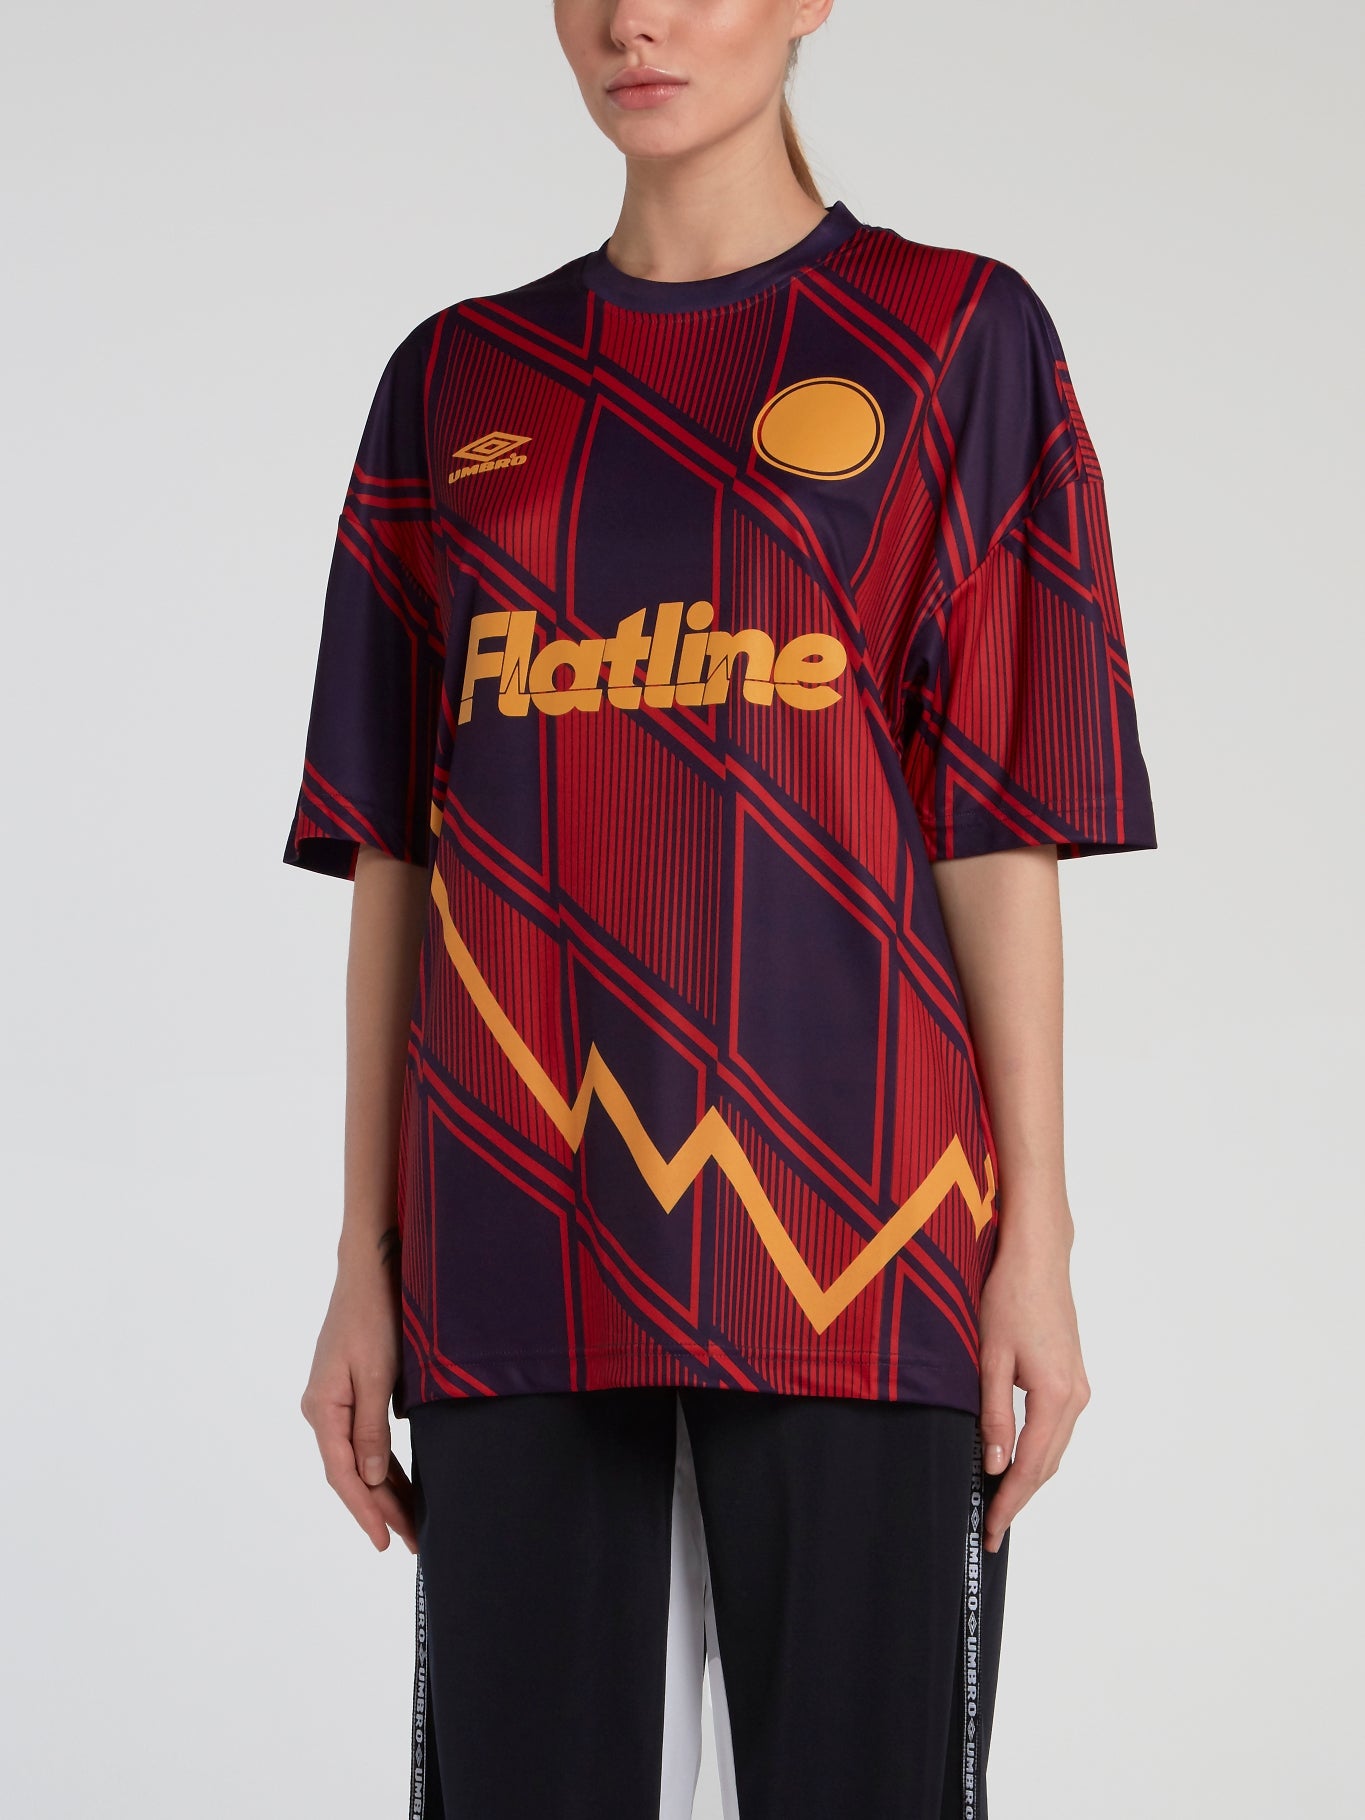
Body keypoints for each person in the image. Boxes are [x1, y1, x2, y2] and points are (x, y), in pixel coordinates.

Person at [284, 3, 1158, 1816]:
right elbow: (396, 853)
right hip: (514, 1225)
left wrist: (1038, 1241)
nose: (635, 19)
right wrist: (363, 1262)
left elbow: (995, 821)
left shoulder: (953, 335)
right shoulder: (454, 378)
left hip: (862, 1221)